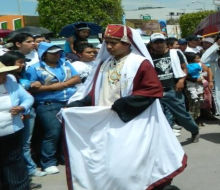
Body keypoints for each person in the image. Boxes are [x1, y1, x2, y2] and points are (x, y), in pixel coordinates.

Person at [65, 25, 187, 190]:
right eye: (107, 42)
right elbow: (99, 90)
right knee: (107, 165)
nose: (109, 47)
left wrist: (126, 102)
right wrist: (83, 102)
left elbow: (152, 90)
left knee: (129, 166)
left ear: (127, 43)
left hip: (133, 122)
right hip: (107, 122)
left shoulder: (139, 63)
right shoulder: (105, 63)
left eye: (114, 42)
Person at [26, 43, 80, 175]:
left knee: (68, 132)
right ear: (44, 54)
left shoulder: (65, 64)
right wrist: (52, 88)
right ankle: (48, 162)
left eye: (58, 52)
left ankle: (64, 157)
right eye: (53, 53)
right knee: (52, 133)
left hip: (69, 101)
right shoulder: (34, 68)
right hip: (48, 104)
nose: (56, 55)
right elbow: (32, 87)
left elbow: (77, 78)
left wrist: (62, 85)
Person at [149, 33, 199, 141]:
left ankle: (194, 130)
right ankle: (166, 140)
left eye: (161, 42)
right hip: (157, 91)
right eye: (156, 42)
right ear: (151, 44)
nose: (158, 45)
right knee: (161, 116)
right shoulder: (148, 57)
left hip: (173, 89)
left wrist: (181, 80)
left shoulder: (175, 53)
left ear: (165, 43)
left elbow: (184, 69)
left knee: (182, 115)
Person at [0, 62, 35, 190]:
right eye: (0, 74)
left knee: (14, 162)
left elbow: (28, 98)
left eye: (4, 73)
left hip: (12, 132)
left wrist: (22, 107)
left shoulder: (12, 84)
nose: (4, 76)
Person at [184, 52, 211, 125]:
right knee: (192, 104)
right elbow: (184, 76)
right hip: (190, 86)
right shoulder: (185, 66)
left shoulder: (199, 65)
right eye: (196, 58)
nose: (198, 59)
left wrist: (201, 77)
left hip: (198, 85)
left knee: (198, 104)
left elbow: (206, 71)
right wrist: (195, 79)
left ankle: (196, 119)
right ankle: (192, 121)